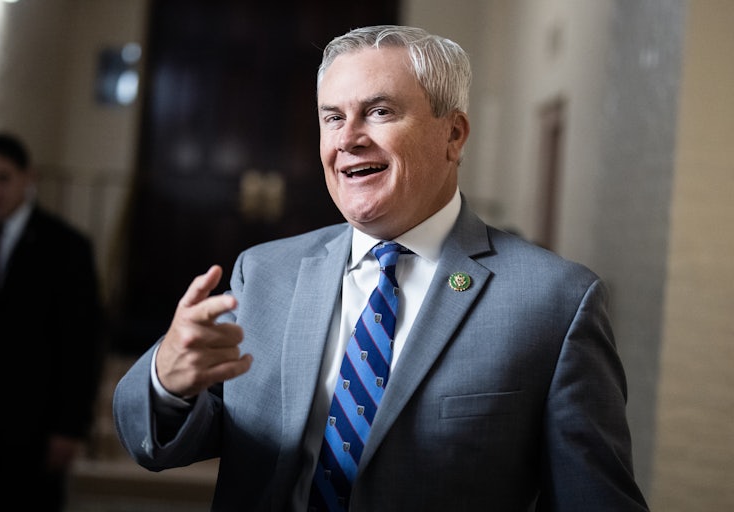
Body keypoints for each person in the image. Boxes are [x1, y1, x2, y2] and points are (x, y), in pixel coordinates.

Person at [113, 25, 650, 511]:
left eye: (380, 112)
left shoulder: (554, 302)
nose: (348, 139)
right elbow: (166, 440)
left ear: (454, 135)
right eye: (332, 117)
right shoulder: (265, 275)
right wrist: (169, 383)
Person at [0, 132, 105, 511]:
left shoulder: (65, 246)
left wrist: (70, 426)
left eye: (2, 177)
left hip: (31, 417)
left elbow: (82, 341)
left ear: (29, 177)